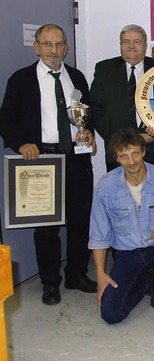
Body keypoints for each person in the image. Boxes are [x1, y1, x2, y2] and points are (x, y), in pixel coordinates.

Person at [0, 24, 97, 305]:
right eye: (48, 44)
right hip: (40, 160)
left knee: (81, 221)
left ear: (66, 47)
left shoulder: (76, 77)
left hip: (76, 159)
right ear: (37, 47)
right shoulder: (22, 79)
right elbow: (6, 117)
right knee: (46, 227)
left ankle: (76, 275)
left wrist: (88, 132)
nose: (54, 50)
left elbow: (85, 116)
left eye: (59, 44)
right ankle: (50, 283)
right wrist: (21, 144)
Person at [89, 128, 154, 323]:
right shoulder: (105, 186)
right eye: (124, 156)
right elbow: (98, 235)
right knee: (111, 315)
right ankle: (146, 280)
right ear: (116, 158)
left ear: (144, 152)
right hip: (127, 252)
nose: (131, 162)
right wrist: (100, 275)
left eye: (135, 153)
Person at [90, 24, 154, 172]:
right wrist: (118, 141)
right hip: (118, 151)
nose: (131, 46)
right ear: (120, 45)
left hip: (152, 148)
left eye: (137, 41)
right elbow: (96, 108)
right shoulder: (104, 69)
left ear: (145, 45)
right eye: (126, 42)